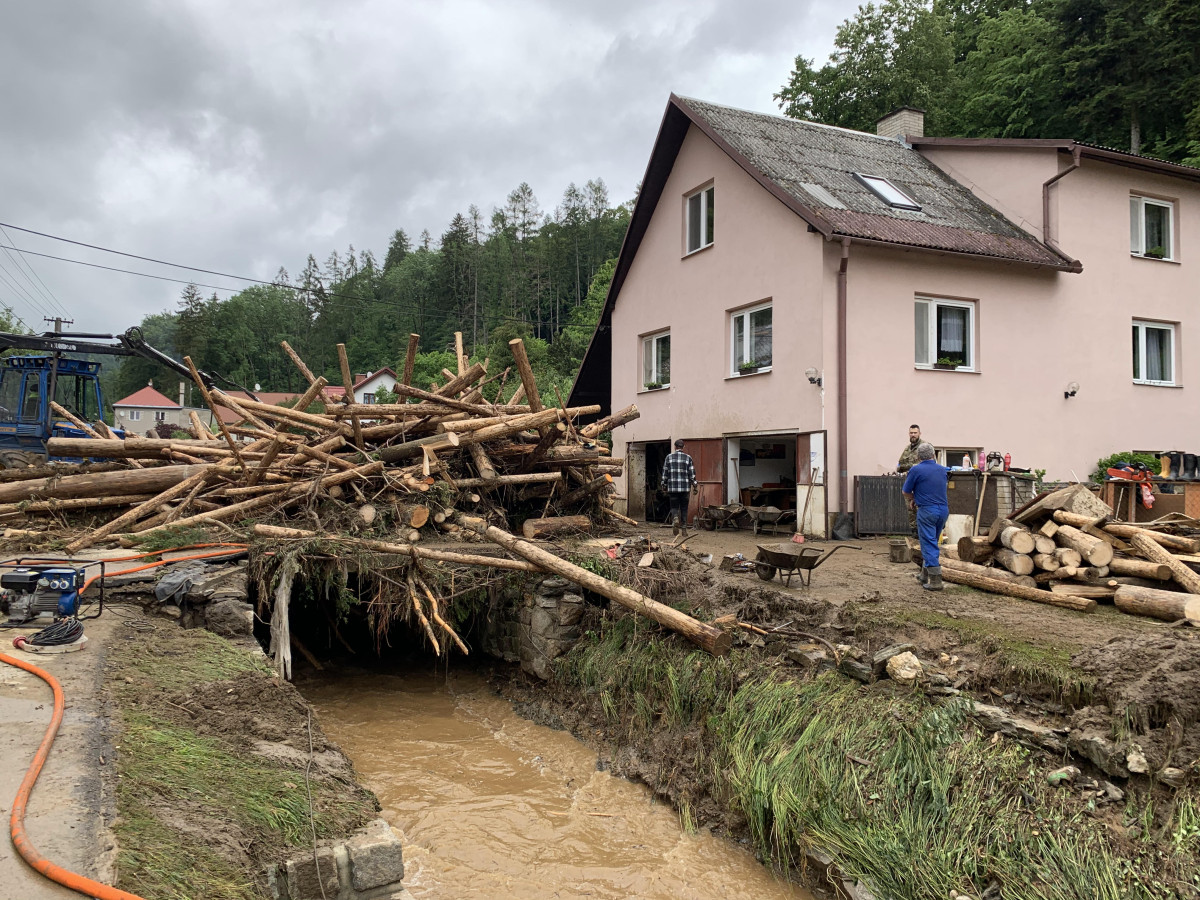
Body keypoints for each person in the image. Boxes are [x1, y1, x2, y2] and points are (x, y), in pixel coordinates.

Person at [902, 441, 949, 590]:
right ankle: (924, 575)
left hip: (927, 511)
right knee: (932, 541)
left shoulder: (916, 470)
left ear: (918, 456)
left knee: (928, 543)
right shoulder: (943, 470)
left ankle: (935, 580)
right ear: (933, 455)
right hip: (943, 510)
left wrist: (914, 498)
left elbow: (906, 491)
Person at [660, 439, 698, 537]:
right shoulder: (688, 458)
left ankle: (675, 518)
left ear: (675, 447)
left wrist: (664, 484)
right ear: (683, 447)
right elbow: (692, 473)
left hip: (673, 488)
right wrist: (694, 484)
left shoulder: (669, 457)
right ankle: (684, 529)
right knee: (684, 508)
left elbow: (665, 473)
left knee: (674, 507)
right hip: (685, 488)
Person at [897, 424, 922, 534]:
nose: (913, 435)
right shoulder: (907, 449)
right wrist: (909, 466)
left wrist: (908, 467)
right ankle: (914, 533)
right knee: (910, 510)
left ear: (919, 433)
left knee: (920, 508)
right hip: (910, 483)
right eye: (911, 433)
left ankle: (922, 533)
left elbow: (926, 464)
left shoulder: (924, 447)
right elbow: (899, 466)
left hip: (921, 484)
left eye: (915, 433)